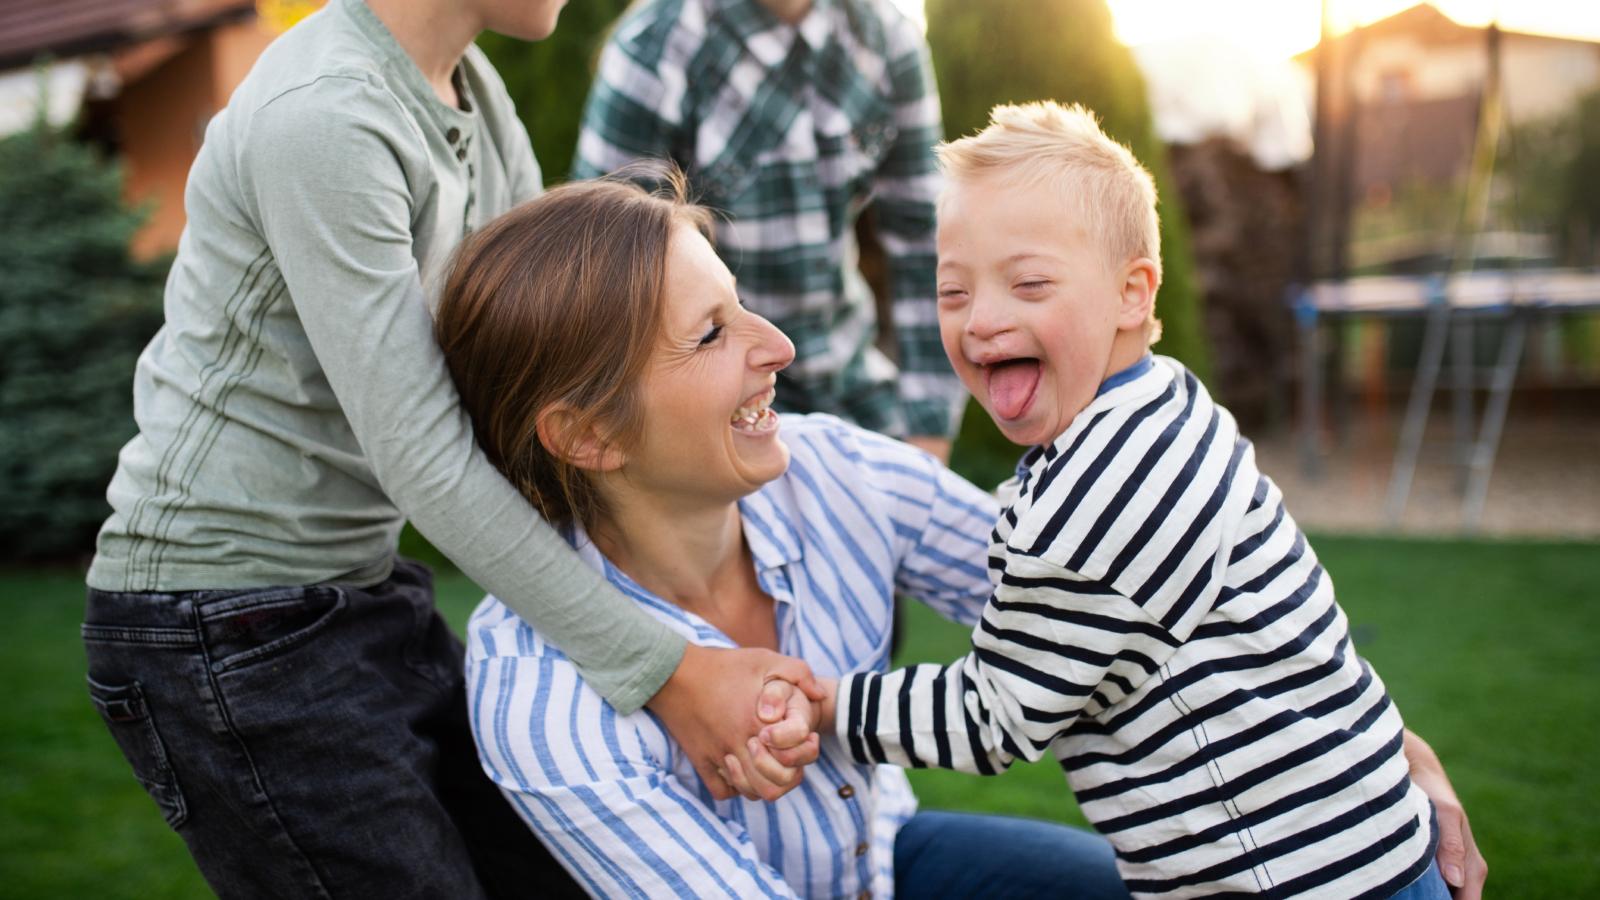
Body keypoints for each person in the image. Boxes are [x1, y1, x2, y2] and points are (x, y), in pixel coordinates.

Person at [79, 1, 818, 896]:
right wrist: (670, 672)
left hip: (358, 586)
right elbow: (425, 456)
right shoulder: (325, 117)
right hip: (223, 614)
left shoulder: (474, 93)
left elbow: (535, 381)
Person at [796, 101, 1485, 897]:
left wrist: (831, 705)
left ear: (1132, 294)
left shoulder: (1104, 485)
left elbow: (997, 713)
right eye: (953, 292)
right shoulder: (1157, 409)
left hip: (1296, 877)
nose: (983, 319)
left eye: (1028, 283)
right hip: (1350, 855)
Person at [435, 173, 1132, 898]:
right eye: (710, 334)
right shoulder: (539, 697)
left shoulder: (834, 470)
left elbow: (1078, 598)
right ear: (590, 434)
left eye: (740, 305)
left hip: (884, 861)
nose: (779, 347)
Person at [574, 0, 965, 461]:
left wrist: (928, 435)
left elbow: (926, 245)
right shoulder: (655, 48)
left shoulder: (886, 38)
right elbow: (606, 273)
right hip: (720, 405)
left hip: (856, 391)